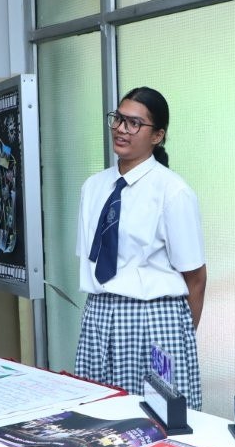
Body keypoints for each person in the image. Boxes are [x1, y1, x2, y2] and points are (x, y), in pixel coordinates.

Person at [74, 86, 207, 409]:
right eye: (118, 119)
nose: (121, 129)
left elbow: (196, 278)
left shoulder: (173, 191)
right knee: (100, 416)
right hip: (99, 315)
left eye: (134, 123)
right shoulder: (93, 187)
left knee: (158, 421)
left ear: (157, 136)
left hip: (154, 319)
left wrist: (179, 337)